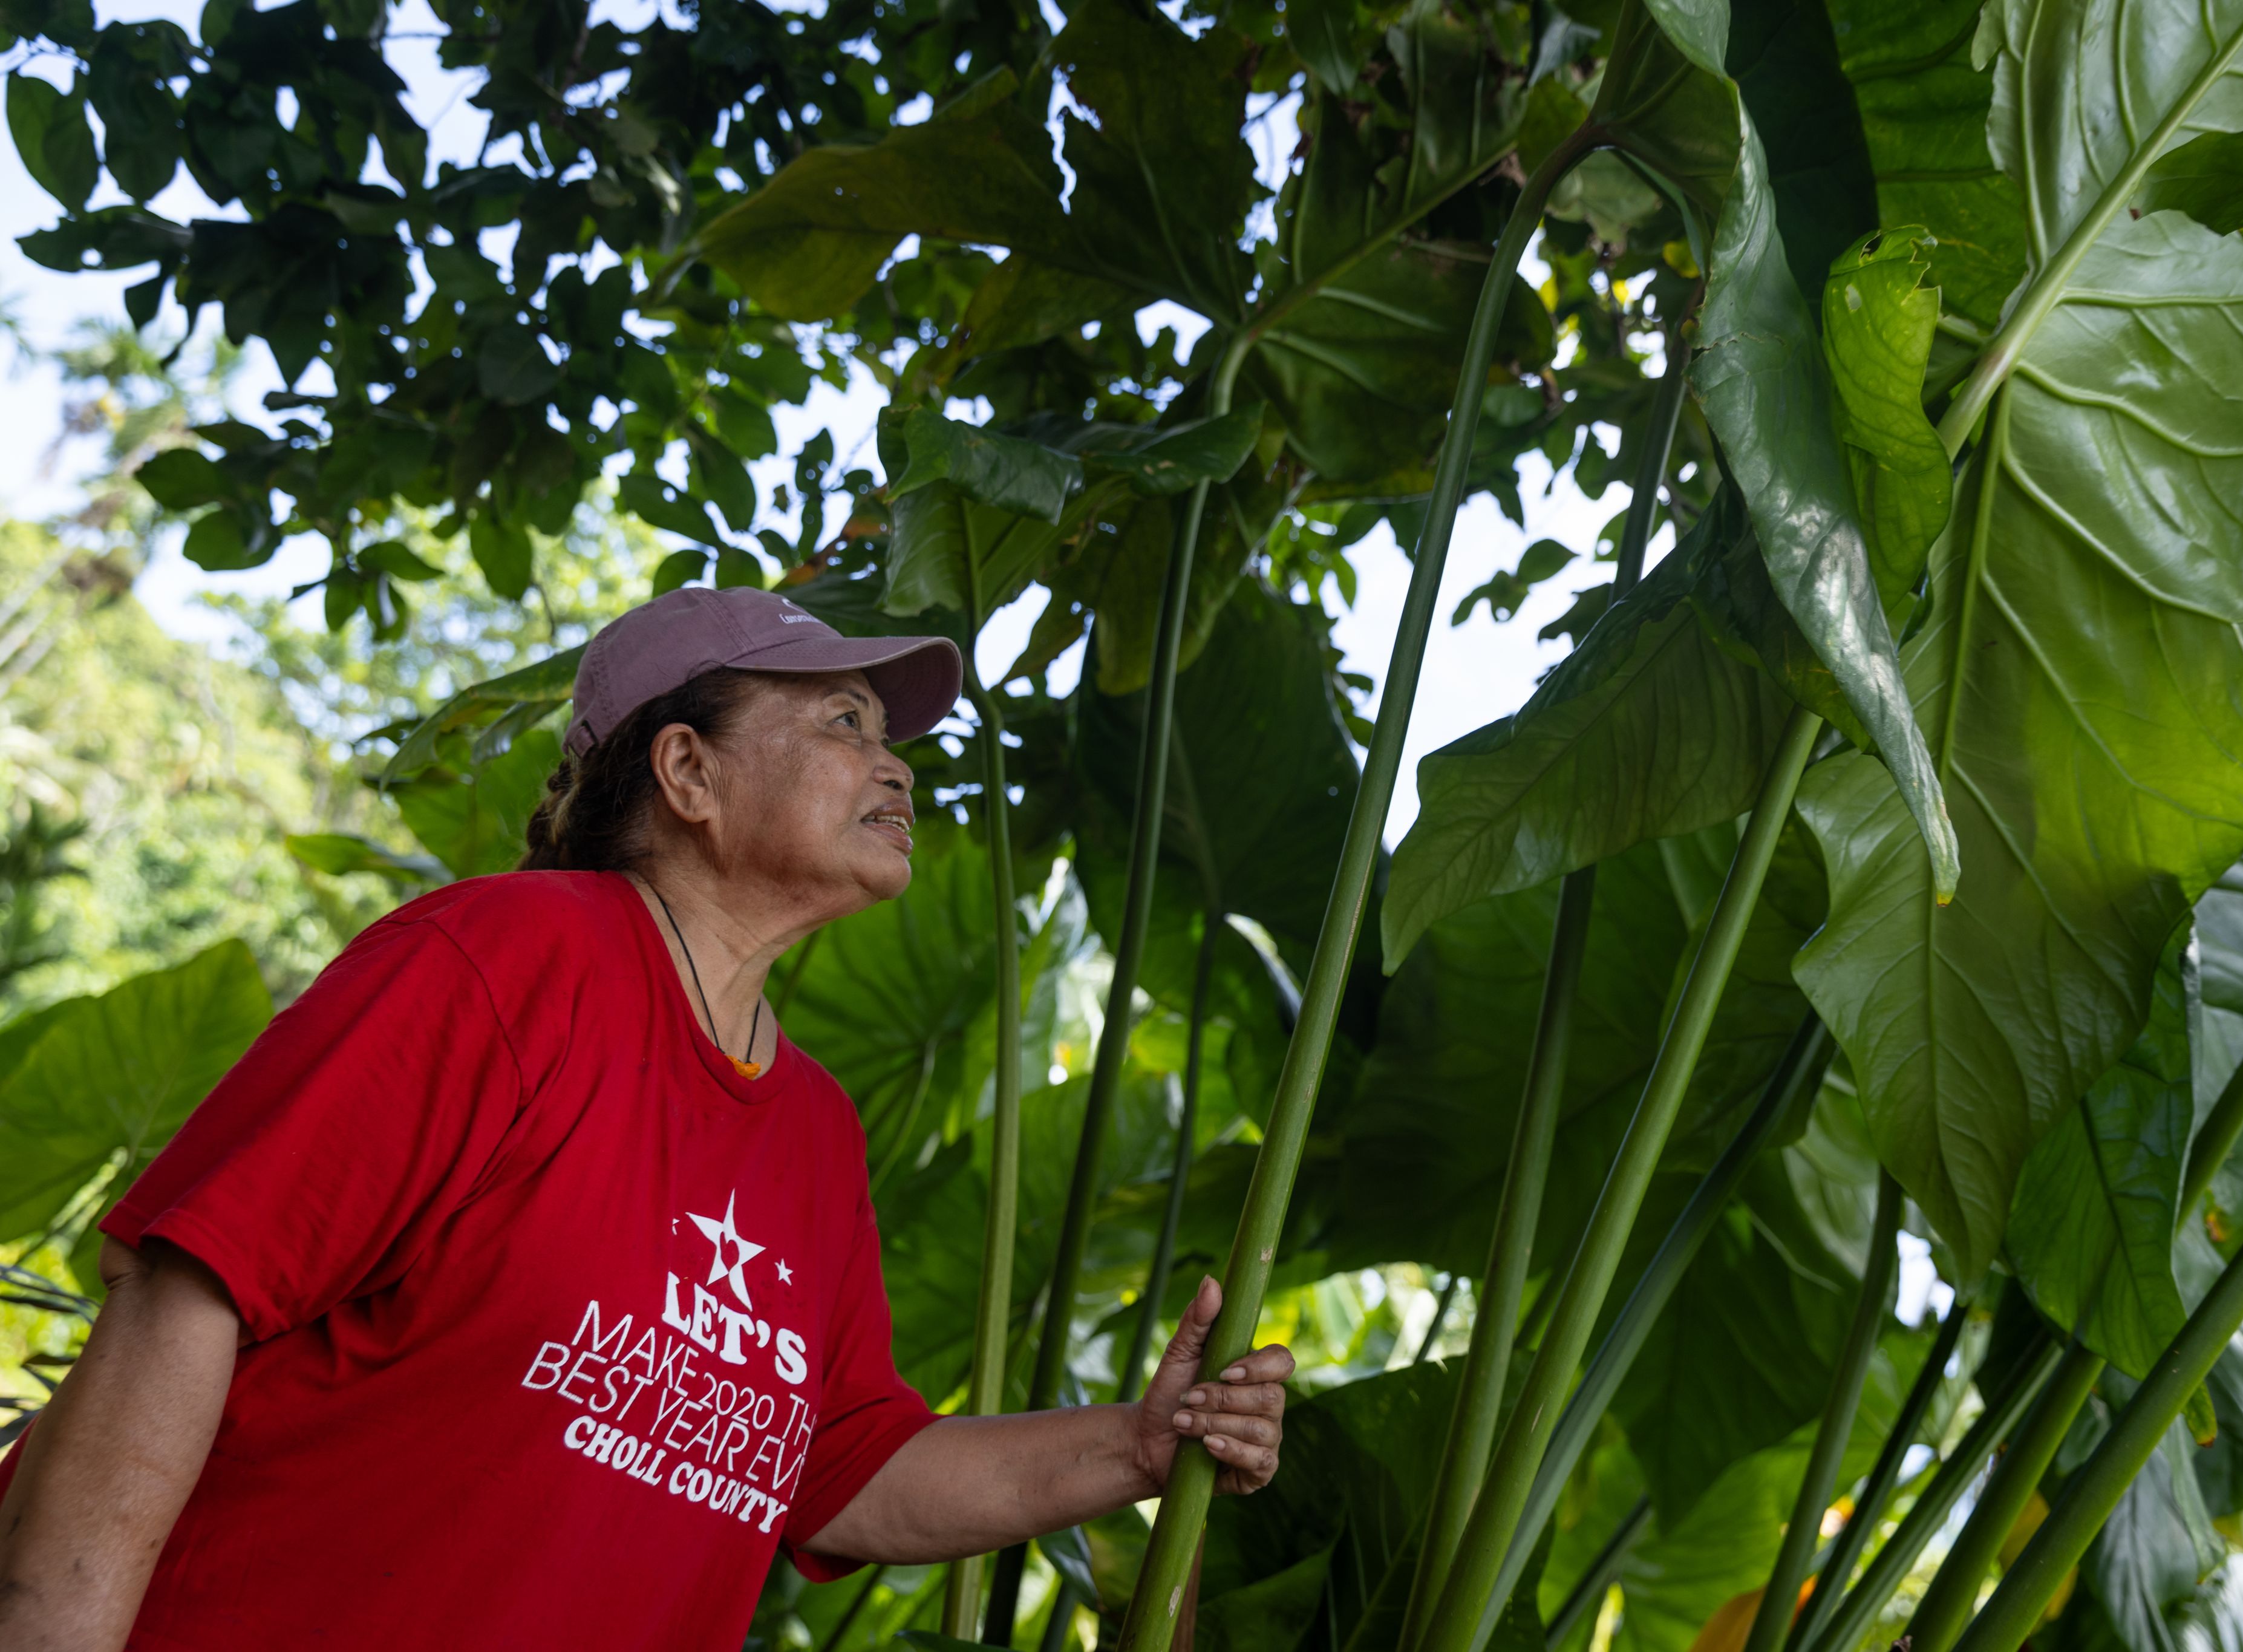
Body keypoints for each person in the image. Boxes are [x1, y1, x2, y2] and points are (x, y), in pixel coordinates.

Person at [0, 586, 1292, 1652]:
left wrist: (1135, 1440)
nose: (893, 763)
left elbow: (843, 1473)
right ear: (687, 770)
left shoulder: (813, 1132)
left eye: (888, 735)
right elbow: (191, 1291)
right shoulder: (502, 959)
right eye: (844, 718)